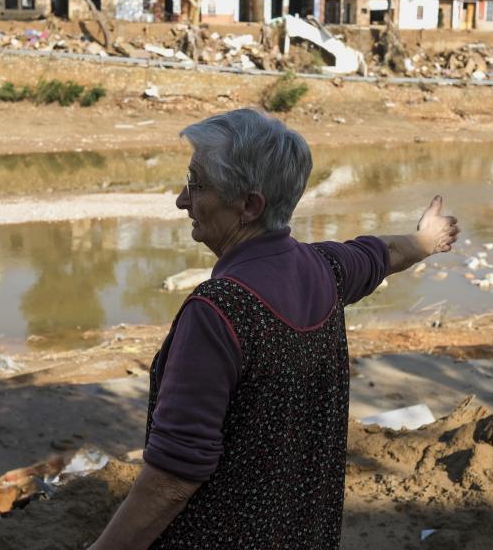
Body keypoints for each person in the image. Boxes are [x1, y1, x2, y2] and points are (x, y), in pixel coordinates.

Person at [89, 109, 459, 549]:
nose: (182, 200)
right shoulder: (325, 270)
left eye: (197, 183)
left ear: (249, 205)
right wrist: (428, 240)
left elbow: (173, 477)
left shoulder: (218, 310)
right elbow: (385, 253)